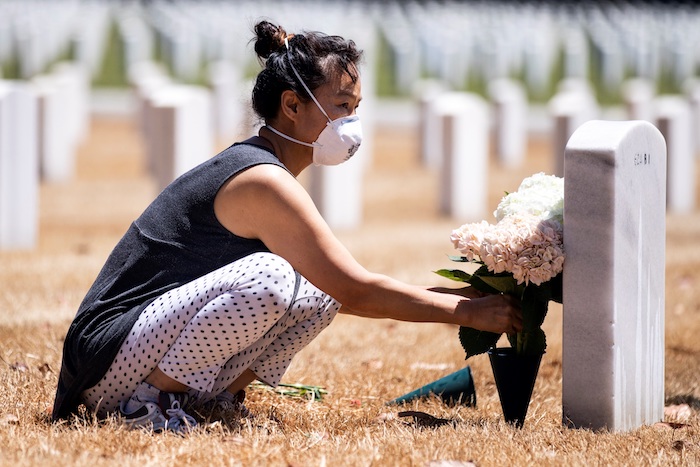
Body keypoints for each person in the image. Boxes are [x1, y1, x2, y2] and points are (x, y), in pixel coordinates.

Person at [52, 20, 522, 433]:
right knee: (275, 279)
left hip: (135, 346)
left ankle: (212, 400)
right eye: (341, 106)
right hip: (105, 356)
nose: (351, 122)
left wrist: (462, 299)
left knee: (316, 291)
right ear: (292, 105)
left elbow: (339, 289)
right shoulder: (261, 179)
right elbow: (357, 288)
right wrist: (463, 313)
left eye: (355, 107)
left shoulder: (271, 171)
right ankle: (147, 406)